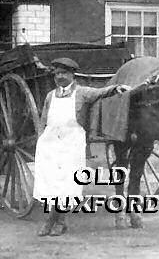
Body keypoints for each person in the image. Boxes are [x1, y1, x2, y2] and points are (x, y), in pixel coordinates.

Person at [33, 57, 130, 236]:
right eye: (57, 74)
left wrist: (115, 88)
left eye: (63, 73)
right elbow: (43, 120)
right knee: (52, 182)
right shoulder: (50, 96)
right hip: (51, 143)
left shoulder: (82, 93)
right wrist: (40, 140)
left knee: (66, 183)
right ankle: (54, 220)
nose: (59, 77)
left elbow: (100, 92)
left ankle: (56, 221)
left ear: (72, 75)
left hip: (72, 143)